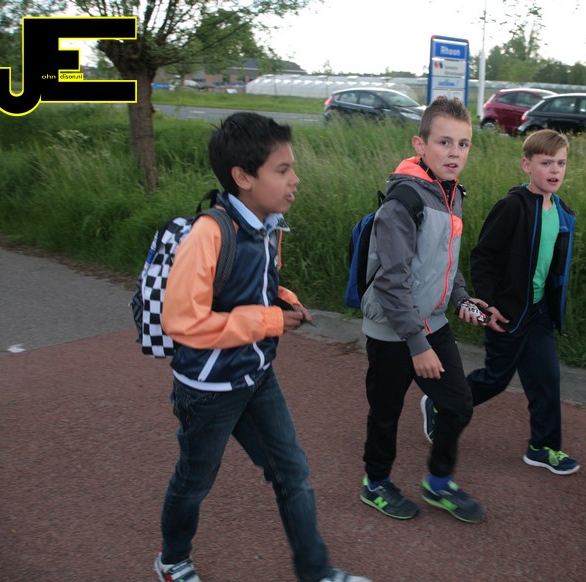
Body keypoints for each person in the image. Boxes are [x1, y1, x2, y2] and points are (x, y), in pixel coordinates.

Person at [154, 111, 370, 582]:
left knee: (292, 471)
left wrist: (282, 297)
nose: (295, 179)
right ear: (243, 177)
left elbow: (248, 288)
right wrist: (270, 320)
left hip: (255, 375)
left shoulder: (267, 224)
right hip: (208, 388)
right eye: (282, 169)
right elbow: (182, 321)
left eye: (292, 168)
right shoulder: (210, 233)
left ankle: (316, 572)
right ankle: (172, 560)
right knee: (194, 480)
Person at [358, 96, 487, 524]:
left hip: (431, 322)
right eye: (444, 142)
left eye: (463, 144)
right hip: (393, 330)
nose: (454, 153)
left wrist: (462, 299)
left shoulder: (452, 194)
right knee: (386, 413)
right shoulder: (403, 202)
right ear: (421, 145)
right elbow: (390, 281)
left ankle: (438, 481)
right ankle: (376, 482)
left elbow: (446, 262)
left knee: (459, 405)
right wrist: (416, 344)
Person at [422, 129, 580, 476]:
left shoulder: (563, 213)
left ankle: (543, 446)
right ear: (527, 165)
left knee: (547, 379)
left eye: (561, 163)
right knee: (495, 379)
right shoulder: (512, 207)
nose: (555, 170)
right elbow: (483, 256)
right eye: (546, 163)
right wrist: (488, 303)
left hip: (538, 313)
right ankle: (440, 403)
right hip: (507, 312)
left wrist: (552, 306)